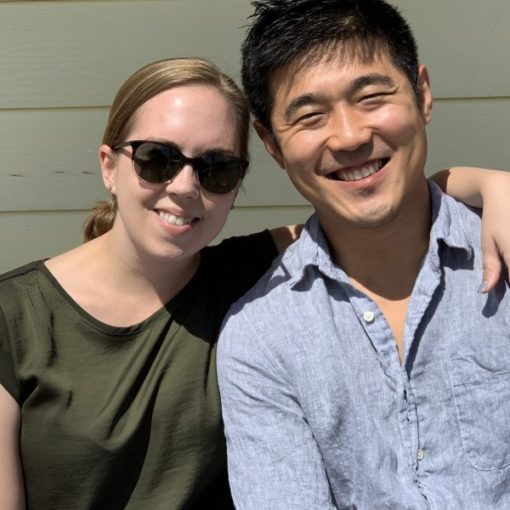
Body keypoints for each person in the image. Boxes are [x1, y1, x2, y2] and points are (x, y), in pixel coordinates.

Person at [0, 57, 506, 510]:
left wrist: (491, 183)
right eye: (157, 159)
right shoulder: (14, 316)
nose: (184, 187)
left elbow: (379, 202)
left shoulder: (251, 276)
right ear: (109, 166)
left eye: (216, 169)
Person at [217, 1, 510, 509]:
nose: (350, 136)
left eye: (372, 98)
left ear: (422, 94)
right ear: (271, 143)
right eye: (309, 116)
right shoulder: (260, 337)